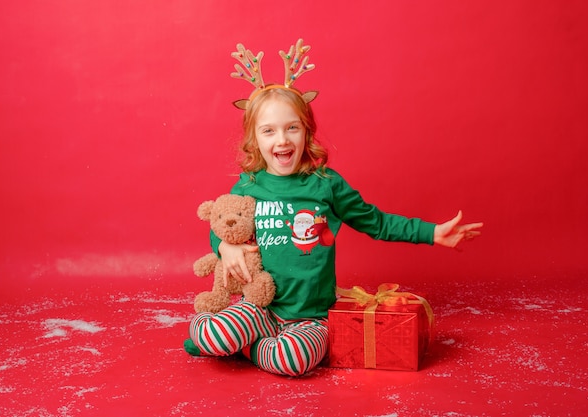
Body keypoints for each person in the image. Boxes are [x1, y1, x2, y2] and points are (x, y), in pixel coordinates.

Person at [184, 40, 483, 376]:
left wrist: (430, 233)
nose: (281, 140)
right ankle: (239, 336)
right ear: (255, 140)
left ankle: (251, 347)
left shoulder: (326, 184)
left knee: (293, 362)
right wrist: (224, 246)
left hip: (310, 317)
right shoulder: (248, 186)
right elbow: (224, 227)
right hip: (258, 305)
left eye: (291, 128)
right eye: (269, 131)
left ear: (306, 131)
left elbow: (376, 222)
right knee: (212, 335)